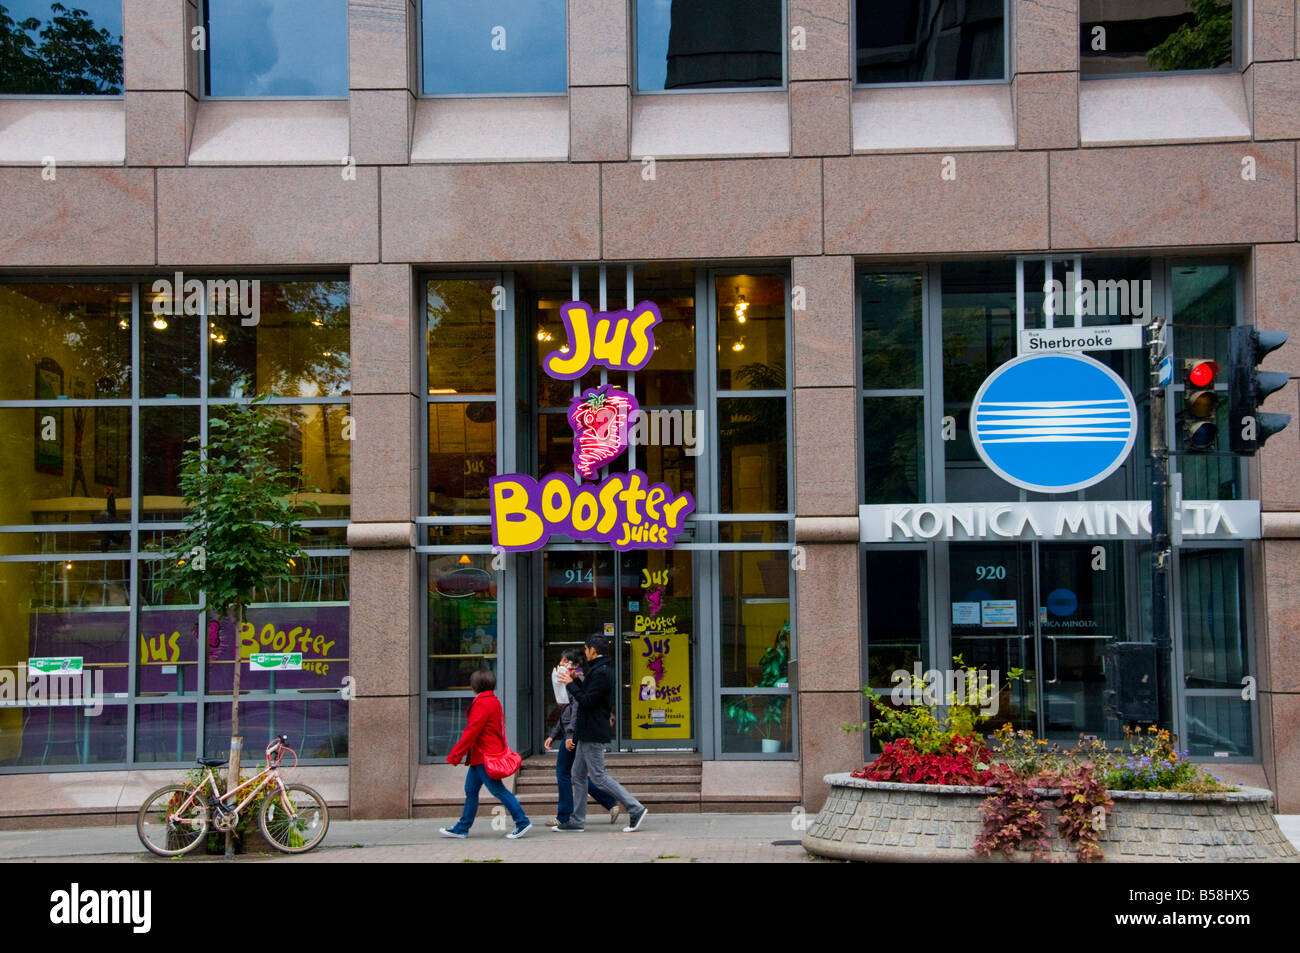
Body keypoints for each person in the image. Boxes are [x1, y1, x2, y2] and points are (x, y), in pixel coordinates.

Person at [553, 634, 648, 833]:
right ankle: (576, 821)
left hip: (593, 731)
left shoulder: (601, 673)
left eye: (586, 649)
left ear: (593, 650)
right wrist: (574, 680)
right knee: (577, 775)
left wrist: (570, 683)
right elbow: (587, 695)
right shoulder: (597, 670)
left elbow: (587, 702)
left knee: (598, 776)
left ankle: (635, 808)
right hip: (587, 730)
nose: (585, 653)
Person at [439, 668, 531, 840]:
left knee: (498, 790)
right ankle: (462, 827)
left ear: (474, 685)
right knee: (471, 791)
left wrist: (455, 754)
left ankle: (522, 822)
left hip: (484, 756)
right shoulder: (492, 700)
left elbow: (471, 731)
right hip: (483, 755)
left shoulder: (481, 703)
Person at [544, 649, 621, 827]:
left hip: (576, 732)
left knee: (563, 772)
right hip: (575, 731)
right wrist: (554, 734)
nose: (561, 664)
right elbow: (566, 712)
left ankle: (564, 816)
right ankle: (610, 803)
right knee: (576, 774)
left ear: (575, 665)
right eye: (561, 661)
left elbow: (577, 710)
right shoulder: (573, 680)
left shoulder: (577, 681)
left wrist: (569, 735)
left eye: (565, 661)